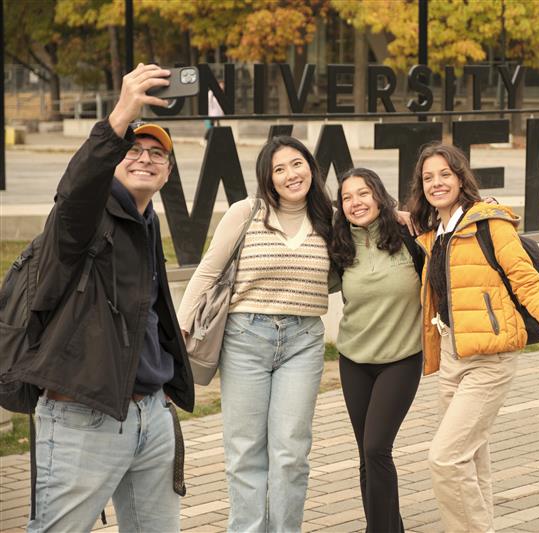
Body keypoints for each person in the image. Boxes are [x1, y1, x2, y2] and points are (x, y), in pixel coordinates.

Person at [23, 63, 195, 532]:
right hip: (84, 416)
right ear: (114, 159)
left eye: (156, 154)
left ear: (168, 173)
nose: (144, 159)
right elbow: (76, 188)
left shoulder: (148, 222)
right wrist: (122, 113)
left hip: (151, 415)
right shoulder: (83, 219)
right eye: (133, 150)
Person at [408, 143, 539, 533]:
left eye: (444, 175)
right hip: (453, 354)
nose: (436, 183)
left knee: (445, 458)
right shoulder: (436, 232)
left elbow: (528, 285)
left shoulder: (490, 223)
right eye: (428, 177)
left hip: (491, 358)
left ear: (460, 178)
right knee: (469, 459)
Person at [177, 135, 334, 532]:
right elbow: (208, 271)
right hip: (246, 338)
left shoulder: (329, 218)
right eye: (279, 169)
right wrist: (178, 331)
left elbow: (374, 225)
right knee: (245, 452)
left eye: (296, 164)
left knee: (291, 453)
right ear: (268, 177)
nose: (290, 175)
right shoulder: (246, 212)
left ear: (311, 168)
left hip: (304, 342)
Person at [330, 168, 424, 533]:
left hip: (401, 358)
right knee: (368, 458)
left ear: (380, 196)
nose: (356, 203)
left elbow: (453, 225)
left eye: (364, 193)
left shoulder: (408, 234)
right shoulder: (339, 245)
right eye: (348, 197)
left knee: (375, 449)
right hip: (354, 360)